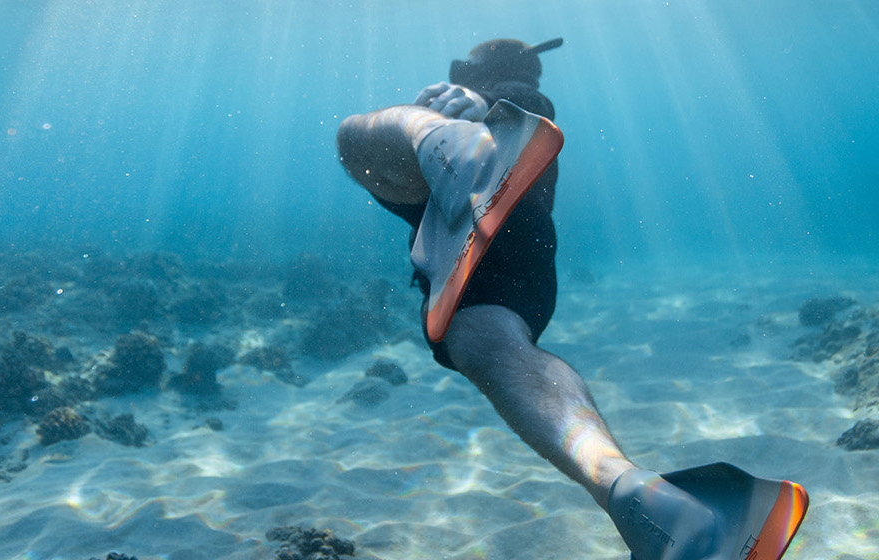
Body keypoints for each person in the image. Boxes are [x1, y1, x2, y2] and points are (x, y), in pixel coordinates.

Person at [335, 38, 808, 560]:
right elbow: (533, 104)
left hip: (483, 209)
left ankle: (451, 145)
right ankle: (652, 506)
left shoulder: (505, 92)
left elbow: (525, 103)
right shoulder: (522, 102)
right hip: (517, 257)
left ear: (478, 69)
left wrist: (475, 105)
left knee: (352, 134)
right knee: (491, 348)